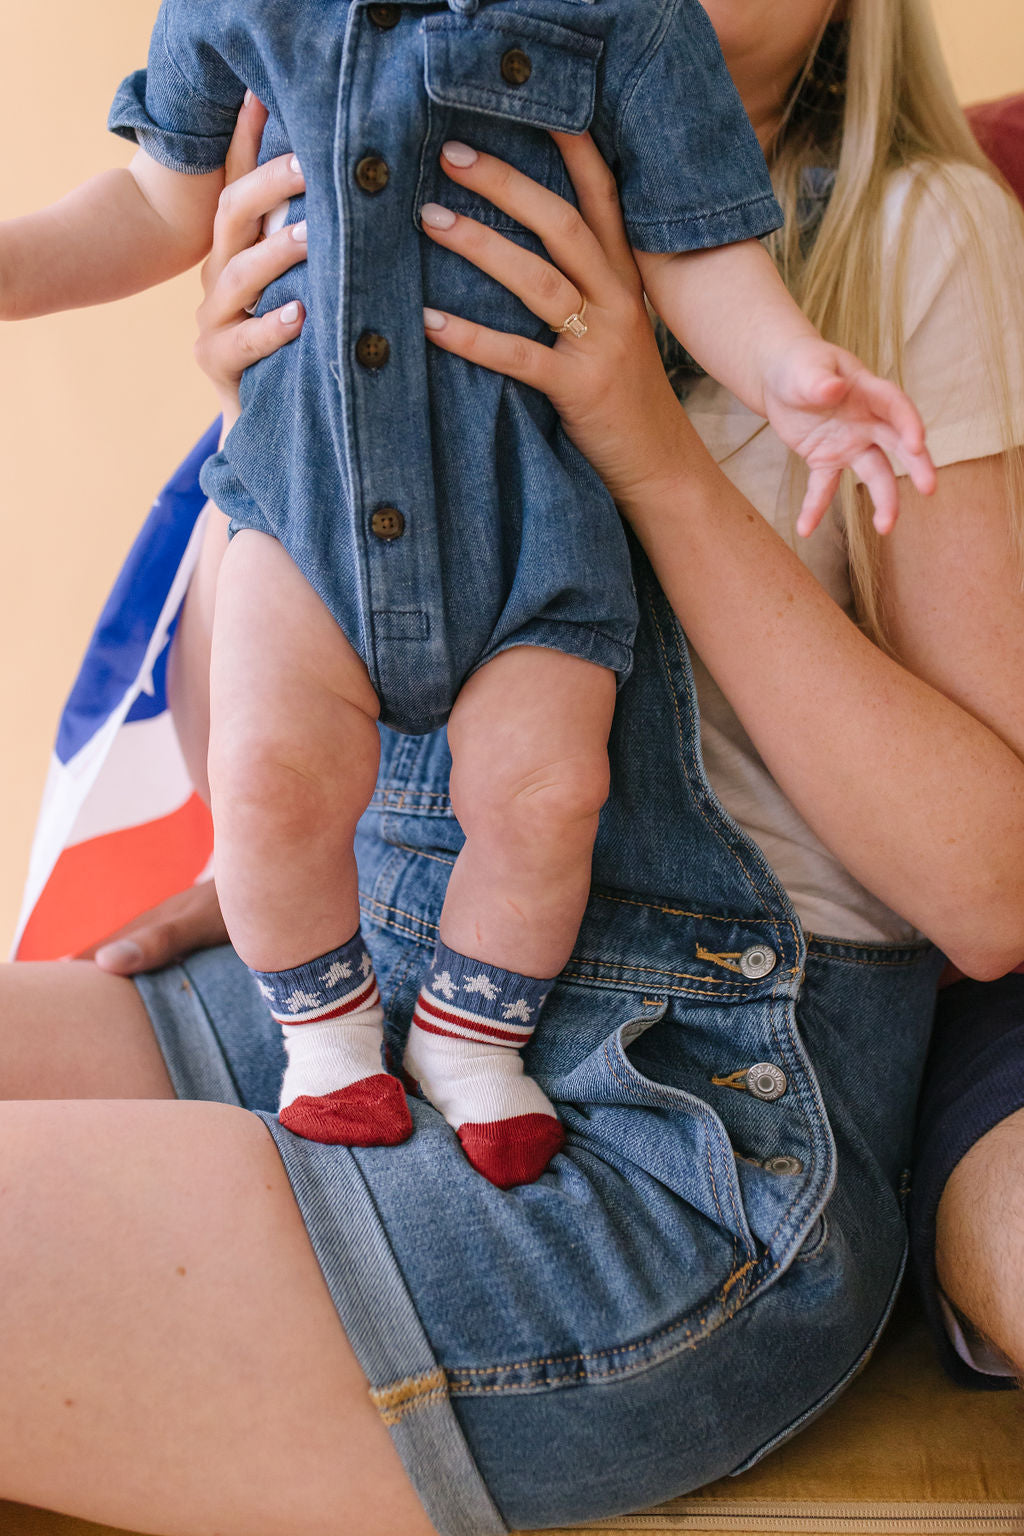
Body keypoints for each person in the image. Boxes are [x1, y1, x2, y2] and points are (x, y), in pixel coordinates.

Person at [2, 2, 1023, 1533]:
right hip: (362, 995)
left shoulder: (911, 234)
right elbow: (251, 751)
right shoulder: (395, 144)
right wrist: (280, 435)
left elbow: (996, 889)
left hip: (674, 1114)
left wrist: (647, 442)